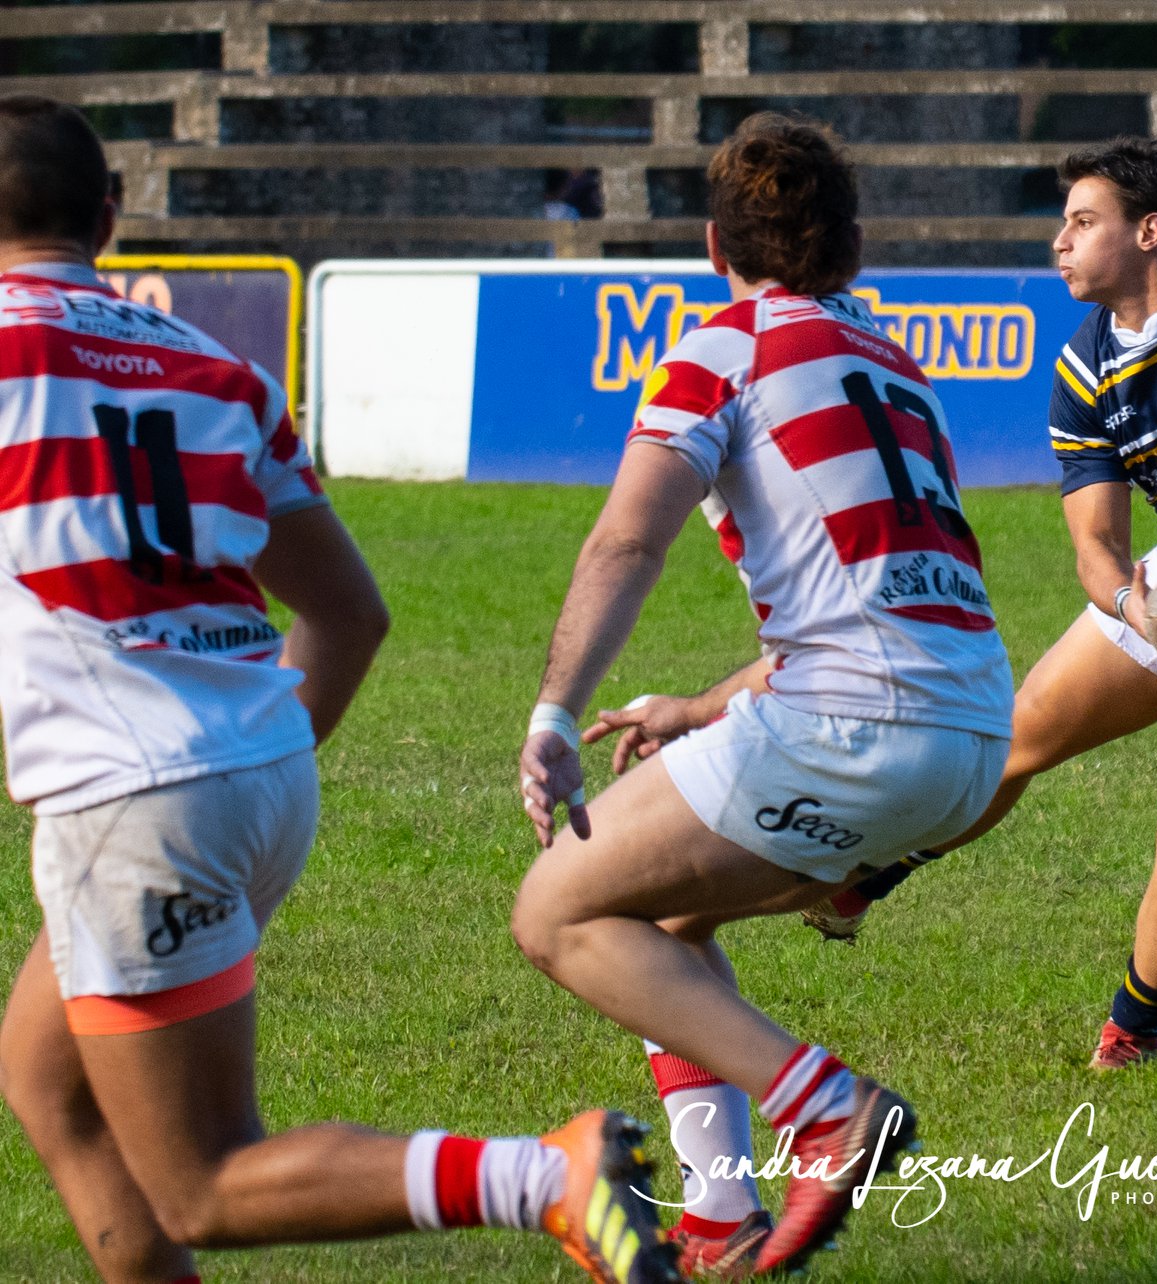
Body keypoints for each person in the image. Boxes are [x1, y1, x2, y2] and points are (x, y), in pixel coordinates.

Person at [0, 97, 678, 1284]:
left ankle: (545, 1172)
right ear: (110, 218)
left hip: (134, 798)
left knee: (201, 1181)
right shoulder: (219, 370)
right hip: (260, 768)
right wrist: (233, 765)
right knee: (46, 1082)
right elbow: (348, 613)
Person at [511, 112, 1014, 1276]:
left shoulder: (723, 345)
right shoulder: (897, 369)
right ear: (846, 246)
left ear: (711, 244)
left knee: (556, 911)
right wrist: (700, 707)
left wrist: (551, 712)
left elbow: (625, 541)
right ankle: (719, 1220)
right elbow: (873, 602)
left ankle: (825, 1109)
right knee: (668, 917)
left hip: (856, 731)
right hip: (972, 741)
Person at [804, 137, 1157, 1072]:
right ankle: (877, 873)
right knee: (1007, 740)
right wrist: (1128, 600)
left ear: (1148, 231)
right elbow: (1093, 544)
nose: (1058, 242)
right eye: (1062, 224)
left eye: (1081, 222)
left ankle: (1133, 1031)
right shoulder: (1083, 370)